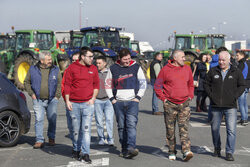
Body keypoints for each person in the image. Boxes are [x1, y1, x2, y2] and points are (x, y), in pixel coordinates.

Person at [105, 48, 147, 159]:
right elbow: (107, 84)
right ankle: (124, 149)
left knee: (131, 125)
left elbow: (143, 83)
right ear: (119, 58)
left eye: (129, 58)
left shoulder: (136, 67)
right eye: (125, 59)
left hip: (133, 102)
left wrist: (138, 97)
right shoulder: (113, 68)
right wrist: (112, 99)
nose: (127, 61)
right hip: (118, 102)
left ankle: (131, 148)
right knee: (121, 127)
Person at [204, 51, 245, 161]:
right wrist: (211, 95)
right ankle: (217, 148)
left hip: (230, 106)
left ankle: (229, 152)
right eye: (219, 60)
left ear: (229, 60)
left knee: (231, 130)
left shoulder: (235, 71)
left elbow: (242, 85)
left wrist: (235, 96)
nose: (221, 62)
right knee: (215, 129)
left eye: (223, 60)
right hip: (215, 106)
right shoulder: (213, 71)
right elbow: (206, 84)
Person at [154, 50, 194, 161]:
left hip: (184, 104)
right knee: (170, 130)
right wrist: (164, 99)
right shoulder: (165, 70)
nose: (184, 59)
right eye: (182, 57)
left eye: (184, 57)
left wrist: (190, 95)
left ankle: (186, 151)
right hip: (170, 104)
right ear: (175, 58)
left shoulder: (187, 68)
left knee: (184, 129)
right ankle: (172, 151)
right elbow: (157, 86)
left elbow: (191, 84)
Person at [64, 47, 99, 164]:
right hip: (74, 104)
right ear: (82, 57)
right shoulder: (72, 68)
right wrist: (68, 101)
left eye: (92, 57)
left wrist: (93, 99)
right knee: (75, 130)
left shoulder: (93, 69)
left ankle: (86, 153)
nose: (92, 59)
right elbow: (67, 85)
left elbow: (96, 85)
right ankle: (76, 149)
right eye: (90, 57)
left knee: (86, 130)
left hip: (87, 104)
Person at [24, 51, 62, 149]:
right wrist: (31, 94)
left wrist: (57, 96)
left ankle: (51, 137)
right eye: (48, 59)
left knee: (52, 119)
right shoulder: (33, 69)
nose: (51, 61)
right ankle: (39, 140)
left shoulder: (55, 69)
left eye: (50, 59)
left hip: (52, 100)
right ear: (42, 60)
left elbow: (59, 83)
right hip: (38, 100)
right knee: (39, 119)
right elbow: (26, 82)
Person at [61, 52, 80, 148]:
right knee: (71, 126)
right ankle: (75, 145)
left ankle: (80, 147)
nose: (74, 62)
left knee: (80, 127)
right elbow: (63, 86)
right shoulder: (67, 71)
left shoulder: (85, 70)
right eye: (73, 60)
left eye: (76, 60)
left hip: (81, 103)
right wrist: (66, 100)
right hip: (70, 102)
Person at [94, 56, 114, 146]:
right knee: (99, 121)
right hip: (97, 100)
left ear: (105, 63)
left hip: (108, 100)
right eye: (97, 63)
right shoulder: (94, 73)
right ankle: (101, 138)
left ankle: (110, 138)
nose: (97, 65)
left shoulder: (110, 73)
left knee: (109, 120)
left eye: (99, 63)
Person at [236, 51, 249, 126]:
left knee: (241, 103)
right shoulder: (246, 63)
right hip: (246, 85)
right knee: (244, 103)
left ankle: (244, 119)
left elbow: (238, 74)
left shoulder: (241, 64)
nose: (236, 57)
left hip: (242, 85)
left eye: (237, 55)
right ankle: (245, 118)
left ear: (242, 56)